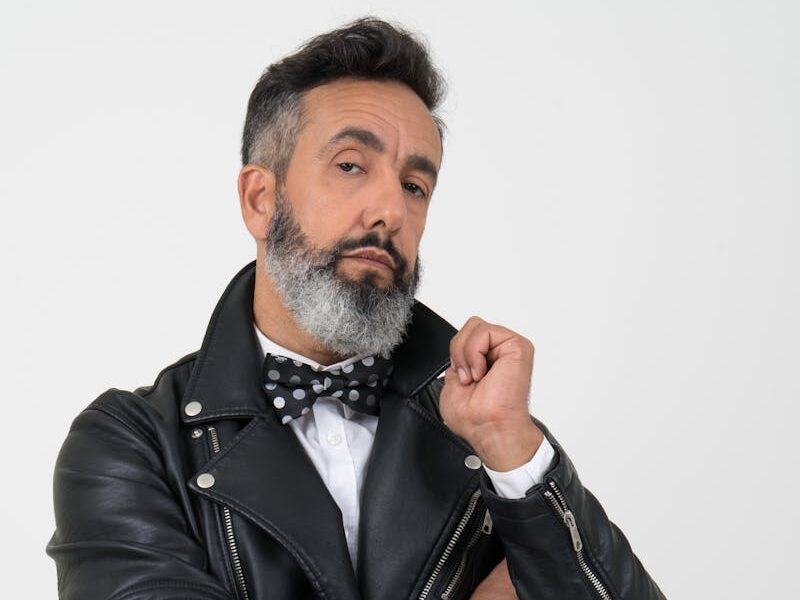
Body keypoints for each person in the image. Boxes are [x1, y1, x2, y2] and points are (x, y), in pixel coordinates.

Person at [47, 16, 665, 600]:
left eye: (415, 186)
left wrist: (515, 448)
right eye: (350, 165)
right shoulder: (127, 448)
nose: (391, 211)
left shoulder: (484, 430)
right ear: (261, 199)